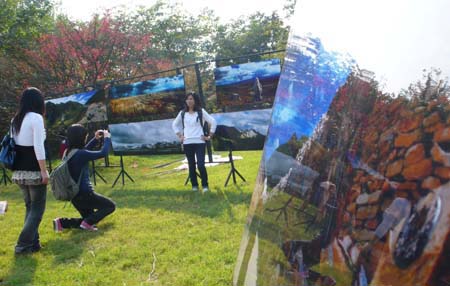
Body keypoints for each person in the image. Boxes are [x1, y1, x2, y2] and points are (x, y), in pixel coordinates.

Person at [53, 125, 115, 232]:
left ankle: (62, 222)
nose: (86, 138)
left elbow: (84, 151)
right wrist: (107, 138)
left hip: (74, 196)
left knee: (89, 220)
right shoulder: (81, 154)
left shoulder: (68, 152)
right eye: (85, 136)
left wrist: (95, 139)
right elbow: (103, 153)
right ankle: (86, 223)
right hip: (85, 194)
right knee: (110, 206)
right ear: (81, 138)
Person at [11, 87, 48, 254]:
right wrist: (44, 171)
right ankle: (23, 245)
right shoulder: (36, 118)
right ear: (38, 101)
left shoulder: (16, 119)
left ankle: (33, 244)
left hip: (18, 170)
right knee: (37, 210)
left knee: (30, 208)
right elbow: (38, 147)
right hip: (33, 170)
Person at [172, 92, 217, 193]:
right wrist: (180, 136)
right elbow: (174, 125)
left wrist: (209, 136)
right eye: (187, 99)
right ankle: (194, 186)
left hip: (200, 142)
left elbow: (213, 122)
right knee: (191, 165)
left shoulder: (201, 112)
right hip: (187, 143)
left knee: (201, 165)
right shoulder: (182, 113)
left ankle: (205, 185)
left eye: (191, 99)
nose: (189, 101)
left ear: (195, 100)